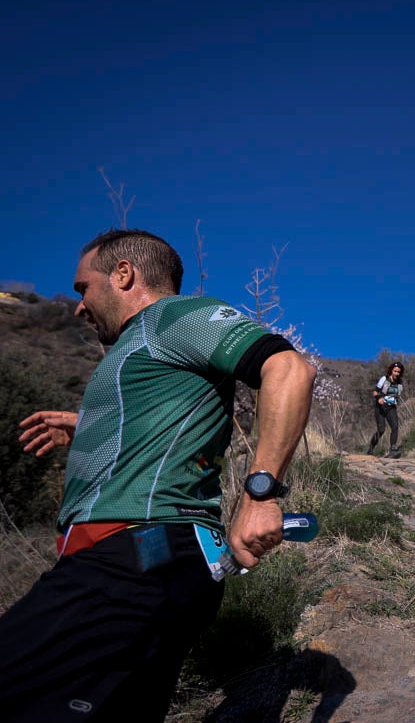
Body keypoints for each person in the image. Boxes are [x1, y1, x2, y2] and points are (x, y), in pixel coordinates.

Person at [0, 229, 316, 722]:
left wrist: (260, 493)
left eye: (84, 287)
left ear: (124, 274)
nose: (79, 307)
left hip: (140, 553)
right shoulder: (139, 347)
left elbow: (290, 368)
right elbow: (166, 417)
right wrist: (84, 425)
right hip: (132, 560)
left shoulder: (170, 317)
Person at [369, 361, 405, 456]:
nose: (396, 373)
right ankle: (371, 448)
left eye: (398, 372)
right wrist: (379, 398)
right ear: (391, 371)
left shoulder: (400, 382)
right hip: (380, 407)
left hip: (391, 407)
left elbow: (398, 395)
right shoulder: (384, 379)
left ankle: (393, 449)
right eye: (395, 371)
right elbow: (375, 392)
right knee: (381, 430)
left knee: (395, 426)